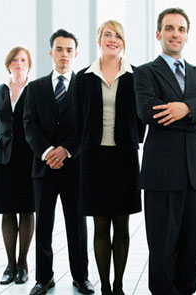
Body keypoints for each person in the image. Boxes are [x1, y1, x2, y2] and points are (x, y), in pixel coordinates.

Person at [134, 7, 196, 295]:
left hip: (195, 173)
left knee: (191, 246)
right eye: (170, 28)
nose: (176, 34)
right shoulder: (145, 73)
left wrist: (185, 108)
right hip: (162, 172)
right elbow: (150, 112)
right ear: (159, 34)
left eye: (181, 29)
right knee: (162, 245)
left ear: (187, 35)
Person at [71, 20, 143, 295]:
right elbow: (77, 119)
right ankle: (103, 288)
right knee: (100, 224)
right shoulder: (84, 77)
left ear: (123, 42)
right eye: (107, 34)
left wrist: (133, 137)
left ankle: (119, 286)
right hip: (93, 158)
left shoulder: (134, 75)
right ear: (99, 39)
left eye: (118, 36)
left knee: (122, 223)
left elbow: (141, 118)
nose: (112, 39)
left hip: (124, 157)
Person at [23, 29, 94, 295]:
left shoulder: (85, 87)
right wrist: (48, 152)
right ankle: (44, 278)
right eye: (59, 49)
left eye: (69, 50)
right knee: (43, 224)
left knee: (77, 224)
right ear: (50, 52)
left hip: (74, 167)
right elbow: (29, 125)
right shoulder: (35, 87)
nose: (64, 55)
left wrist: (66, 150)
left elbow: (88, 125)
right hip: (44, 167)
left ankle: (81, 277)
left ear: (76, 54)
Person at [0, 46, 36, 286]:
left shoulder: (35, 90)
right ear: (8, 64)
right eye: (14, 60)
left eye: (23, 60)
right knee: (6, 210)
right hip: (2, 156)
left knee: (26, 209)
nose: (19, 63)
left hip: (28, 157)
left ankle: (23, 263)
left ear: (29, 65)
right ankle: (9, 264)